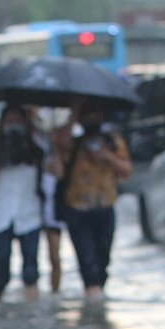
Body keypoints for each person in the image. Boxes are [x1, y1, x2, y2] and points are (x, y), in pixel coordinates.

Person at [51, 98, 132, 301]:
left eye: (95, 113)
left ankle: (96, 310)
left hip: (104, 206)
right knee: (87, 262)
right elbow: (58, 142)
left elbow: (127, 171)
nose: (91, 118)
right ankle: (93, 303)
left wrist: (107, 156)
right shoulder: (74, 141)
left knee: (103, 261)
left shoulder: (112, 140)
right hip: (76, 208)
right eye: (87, 114)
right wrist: (74, 113)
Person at [0, 103, 51, 302]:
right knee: (0, 268)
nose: (14, 126)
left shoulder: (37, 149)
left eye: (18, 121)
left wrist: (40, 131)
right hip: (1, 216)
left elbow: (56, 170)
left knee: (31, 270)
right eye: (10, 122)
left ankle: (31, 312)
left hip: (30, 215)